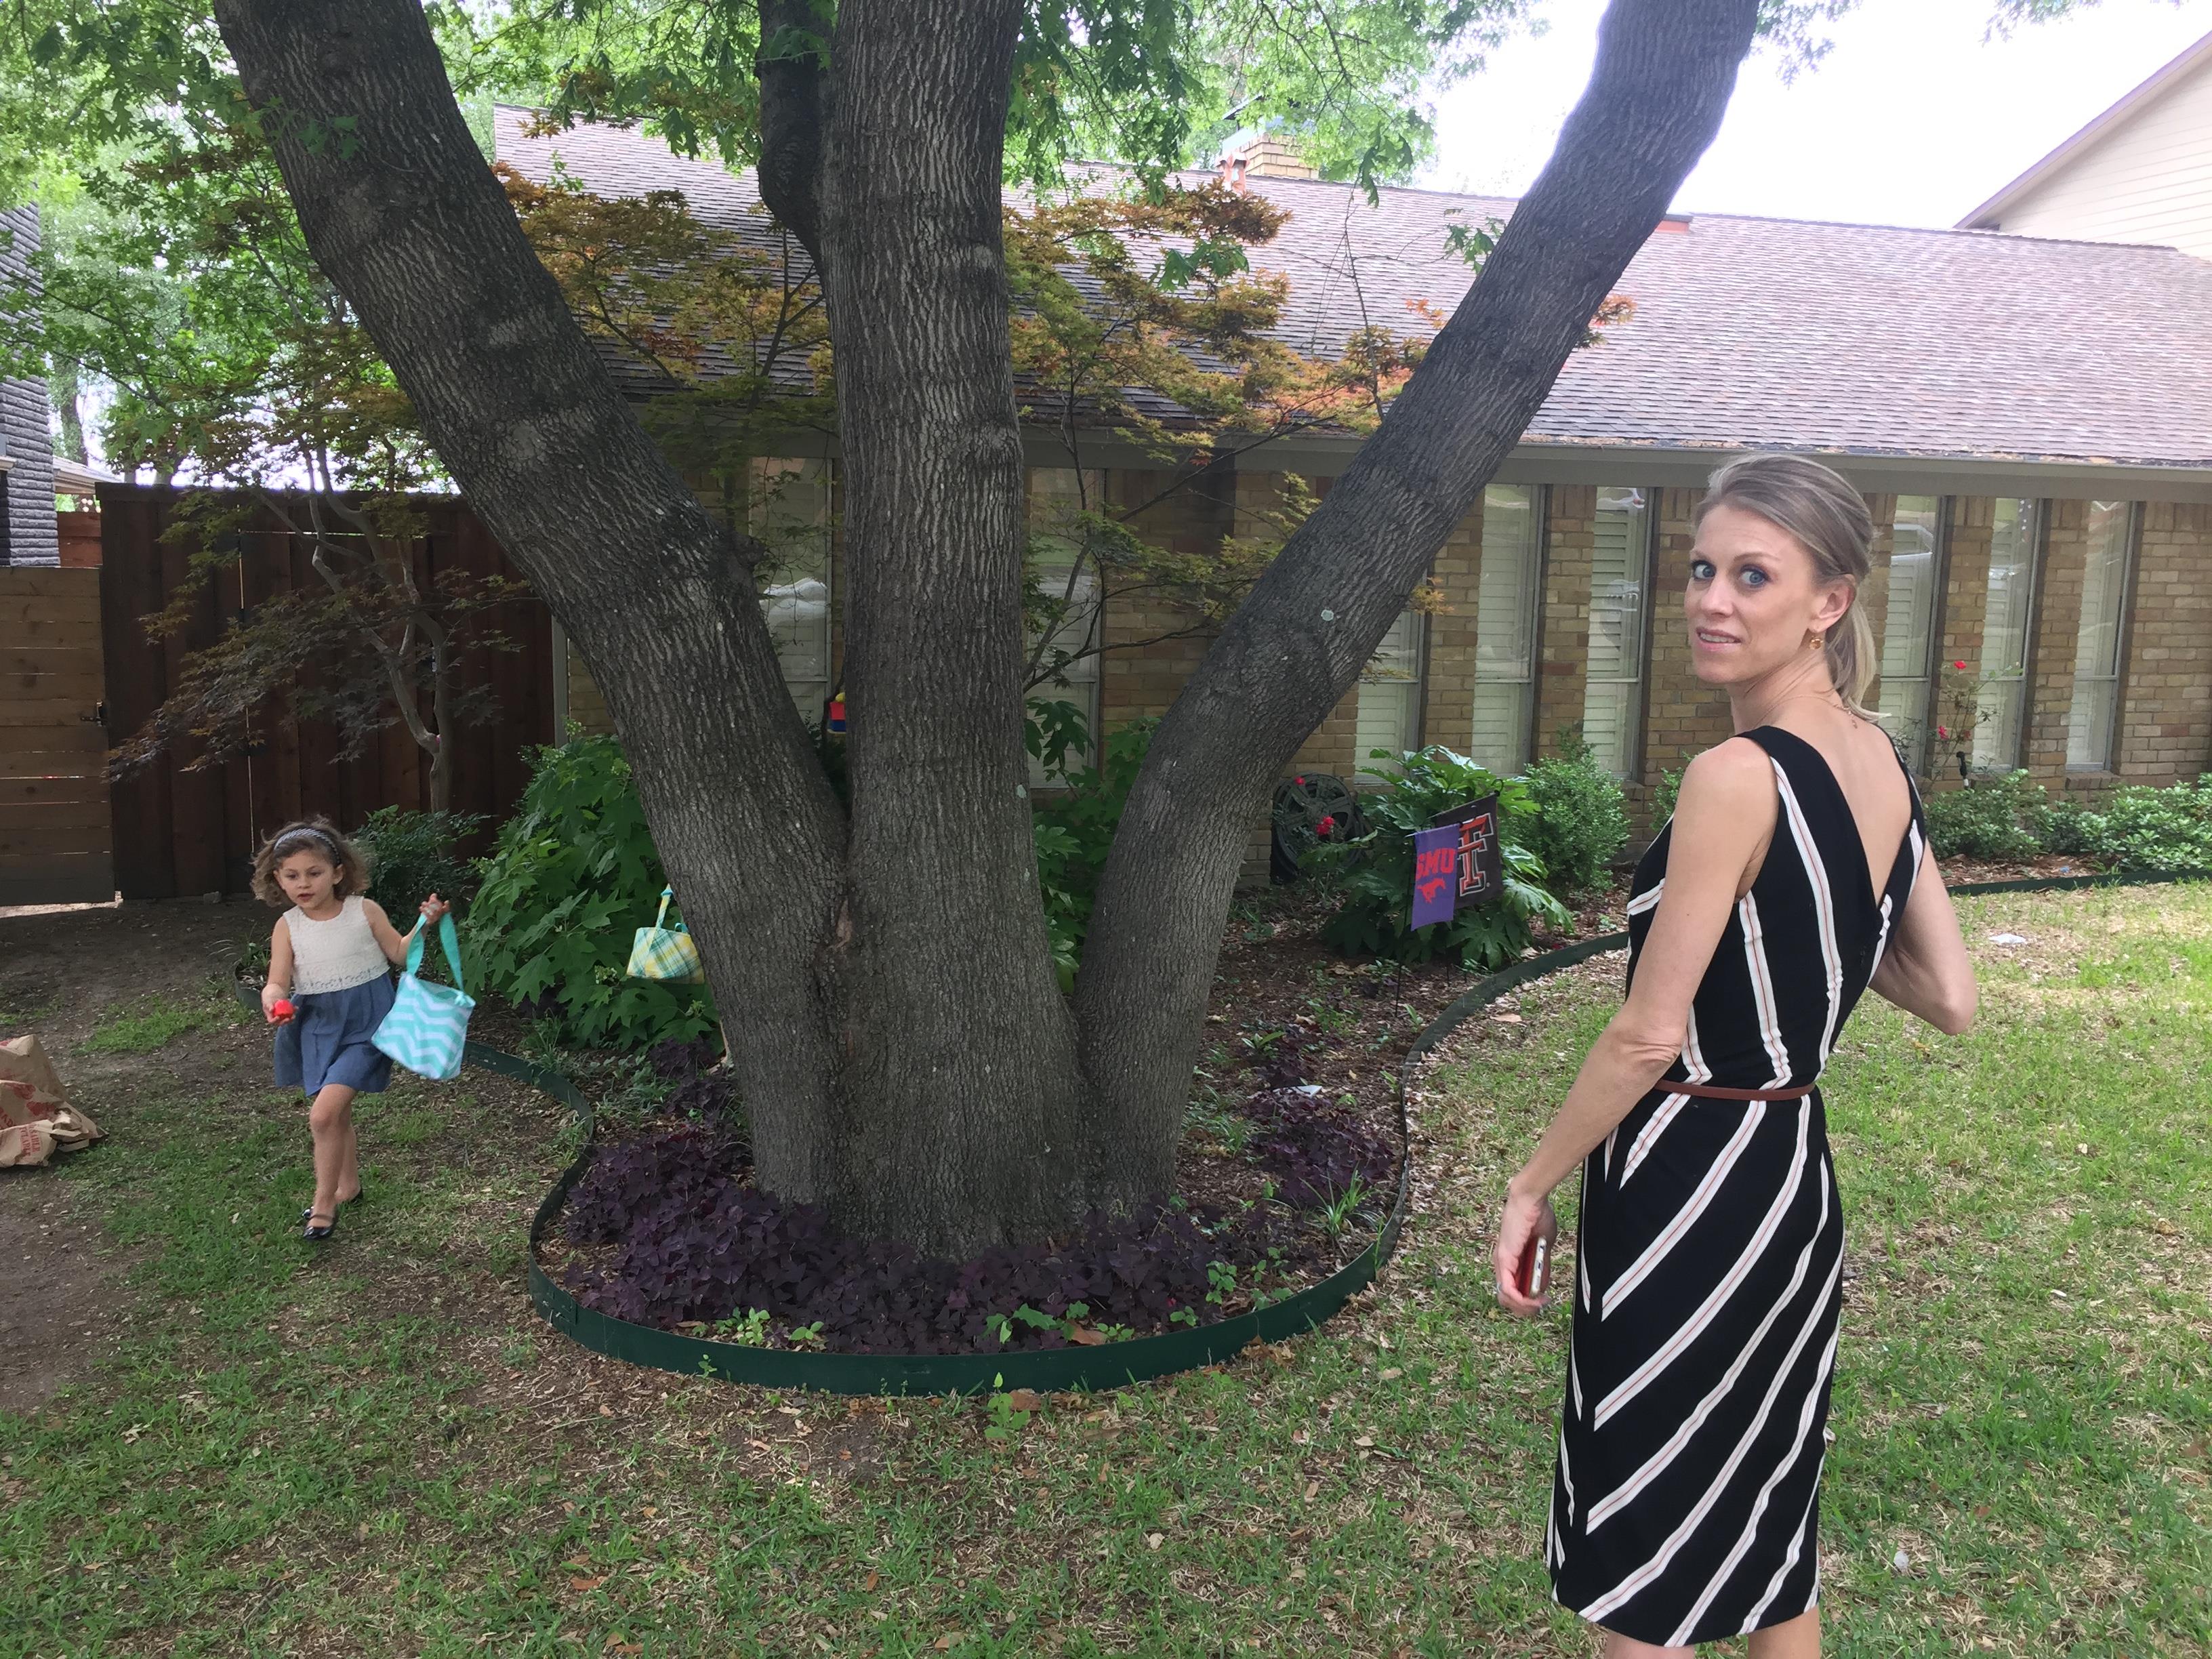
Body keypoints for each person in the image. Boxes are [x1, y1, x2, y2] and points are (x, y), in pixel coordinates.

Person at [1492, 454, 1978, 1656]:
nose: (1711, 598)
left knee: (1644, 1545)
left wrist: (1527, 1180)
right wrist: (1798, 930)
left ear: (1827, 601)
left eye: (1751, 574)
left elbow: (1647, 1030)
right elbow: (1946, 992)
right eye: (1701, 568)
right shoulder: (1875, 759)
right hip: (1789, 1174)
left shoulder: (1733, 775)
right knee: (1767, 1528)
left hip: (1685, 1175)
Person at [254, 819, 449, 1242]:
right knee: (335, 1113)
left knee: (323, 1114)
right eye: (292, 875)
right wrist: (273, 1000)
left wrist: (423, 924)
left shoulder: (364, 911)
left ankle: (324, 1205)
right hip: (318, 1027)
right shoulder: (289, 926)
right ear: (278, 879)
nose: (303, 883)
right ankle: (349, 1186)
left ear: (338, 873)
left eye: (315, 872)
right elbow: (276, 981)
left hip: (369, 1024)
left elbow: (399, 953)